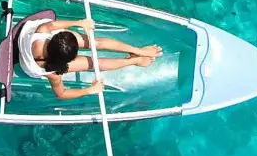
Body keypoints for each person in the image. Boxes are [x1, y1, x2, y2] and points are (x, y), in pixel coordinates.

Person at [18, 17, 161, 100]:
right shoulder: (52, 73)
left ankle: (138, 51)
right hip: (34, 62)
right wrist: (90, 90)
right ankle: (134, 60)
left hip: (47, 47)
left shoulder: (43, 30)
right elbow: (61, 93)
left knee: (94, 42)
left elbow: (52, 25)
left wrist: (80, 22)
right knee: (93, 63)